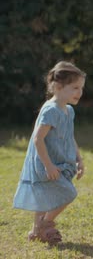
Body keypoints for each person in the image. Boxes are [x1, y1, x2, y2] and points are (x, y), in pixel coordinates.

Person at [13, 61, 86, 245]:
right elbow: (38, 139)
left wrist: (79, 158)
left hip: (60, 162)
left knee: (45, 198)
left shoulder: (68, 110)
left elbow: (69, 136)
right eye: (75, 87)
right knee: (69, 193)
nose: (80, 92)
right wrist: (48, 165)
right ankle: (45, 224)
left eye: (81, 88)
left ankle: (35, 232)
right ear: (58, 87)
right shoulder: (51, 110)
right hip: (46, 164)